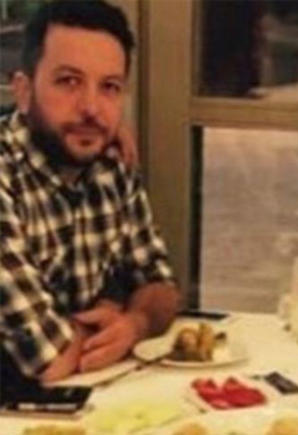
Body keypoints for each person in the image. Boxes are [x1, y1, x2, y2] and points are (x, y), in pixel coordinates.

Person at [0, 0, 180, 385]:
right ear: (24, 91)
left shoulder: (109, 163)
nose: (91, 108)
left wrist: (135, 322)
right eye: (69, 81)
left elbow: (161, 285)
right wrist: (109, 321)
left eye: (109, 87)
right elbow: (47, 356)